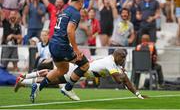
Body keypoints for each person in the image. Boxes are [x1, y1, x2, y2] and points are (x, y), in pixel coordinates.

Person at [14, 49, 146, 100]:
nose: (123, 60)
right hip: (74, 70)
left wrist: (138, 95)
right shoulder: (110, 62)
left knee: (50, 80)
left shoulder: (116, 64)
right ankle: (25, 77)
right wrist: (123, 74)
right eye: (122, 57)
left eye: (124, 58)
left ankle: (22, 82)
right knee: (49, 75)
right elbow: (119, 80)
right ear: (116, 55)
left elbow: (126, 80)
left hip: (79, 72)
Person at [30, 0, 89, 103]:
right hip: (62, 46)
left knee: (62, 69)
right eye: (83, 2)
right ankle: (68, 88)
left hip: (53, 44)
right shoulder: (76, 13)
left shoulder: (64, 10)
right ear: (80, 2)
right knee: (85, 64)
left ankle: (38, 87)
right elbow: (70, 31)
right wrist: (76, 50)